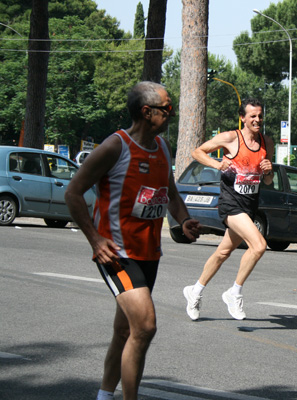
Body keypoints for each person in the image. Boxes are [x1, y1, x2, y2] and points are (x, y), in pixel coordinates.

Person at [65, 81, 201, 400]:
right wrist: (95, 240)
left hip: (149, 253)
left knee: (125, 330)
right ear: (147, 112)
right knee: (145, 326)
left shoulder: (162, 147)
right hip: (116, 252)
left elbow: (170, 194)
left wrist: (184, 220)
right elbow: (73, 192)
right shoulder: (116, 147)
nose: (172, 113)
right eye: (168, 108)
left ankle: (103, 395)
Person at [183, 98, 274, 321]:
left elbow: (268, 182)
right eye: (252, 116)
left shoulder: (266, 143)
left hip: (249, 205)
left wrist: (269, 170)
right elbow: (198, 152)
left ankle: (194, 291)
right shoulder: (231, 138)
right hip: (230, 205)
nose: (257, 119)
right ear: (242, 118)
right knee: (259, 245)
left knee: (223, 253)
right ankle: (234, 292)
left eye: (260, 116)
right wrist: (216, 164)